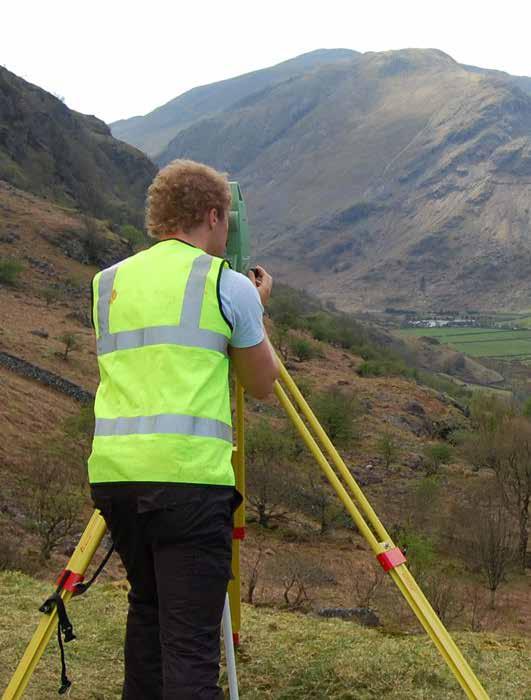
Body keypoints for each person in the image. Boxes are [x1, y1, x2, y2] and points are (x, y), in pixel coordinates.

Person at [87, 159, 279, 699]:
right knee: (191, 647)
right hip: (189, 486)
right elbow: (262, 383)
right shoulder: (226, 283)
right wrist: (256, 311)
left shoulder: (108, 283)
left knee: (148, 617)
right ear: (215, 217)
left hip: (116, 479)